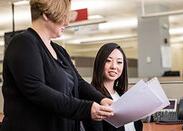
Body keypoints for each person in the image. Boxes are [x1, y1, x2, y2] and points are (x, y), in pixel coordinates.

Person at [1, 0, 113, 131]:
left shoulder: (59, 50)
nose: (67, 22)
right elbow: (37, 90)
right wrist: (85, 108)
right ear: (46, 15)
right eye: (62, 16)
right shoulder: (23, 43)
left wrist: (102, 99)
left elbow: (80, 83)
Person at [83, 43, 143, 131]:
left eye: (119, 62)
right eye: (108, 61)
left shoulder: (123, 94)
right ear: (99, 63)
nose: (114, 66)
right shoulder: (93, 97)